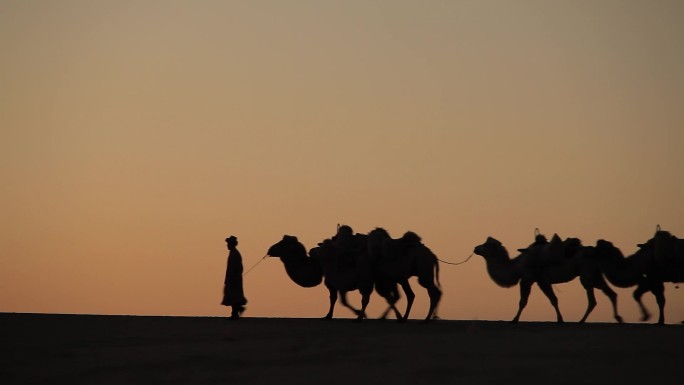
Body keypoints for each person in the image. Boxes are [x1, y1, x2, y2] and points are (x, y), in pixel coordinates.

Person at [221, 235, 247, 319]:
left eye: (228, 244)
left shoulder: (235, 254)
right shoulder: (234, 253)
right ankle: (236, 311)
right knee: (232, 295)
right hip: (233, 278)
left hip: (233, 279)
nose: (227, 245)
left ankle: (235, 313)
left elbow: (237, 267)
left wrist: (232, 277)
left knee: (233, 295)